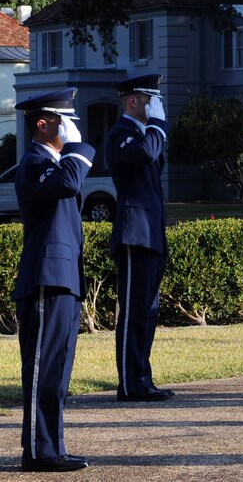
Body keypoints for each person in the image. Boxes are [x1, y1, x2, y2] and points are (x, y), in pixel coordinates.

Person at [13, 88, 94, 472]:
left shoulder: (57, 163)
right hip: (45, 278)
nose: (71, 127)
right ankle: (38, 452)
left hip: (62, 278)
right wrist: (79, 149)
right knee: (42, 370)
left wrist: (72, 153)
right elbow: (68, 185)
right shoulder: (33, 163)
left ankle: (51, 448)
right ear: (43, 124)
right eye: (65, 120)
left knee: (57, 370)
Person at [107, 74, 174, 402]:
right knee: (133, 312)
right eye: (151, 99)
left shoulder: (143, 135)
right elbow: (148, 152)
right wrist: (158, 124)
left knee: (147, 313)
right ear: (133, 100)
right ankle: (129, 384)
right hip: (134, 236)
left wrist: (155, 127)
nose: (157, 105)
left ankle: (142, 379)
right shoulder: (121, 135)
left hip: (150, 235)